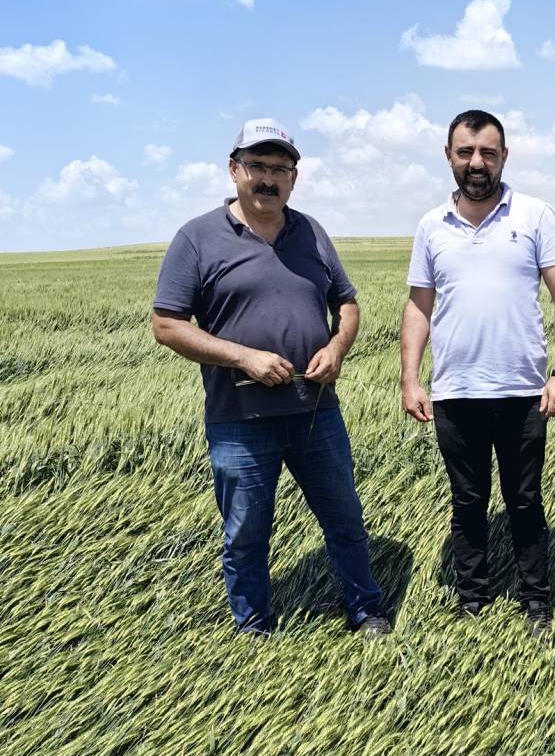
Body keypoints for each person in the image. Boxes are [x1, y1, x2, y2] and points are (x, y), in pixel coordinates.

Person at [151, 118, 389, 638]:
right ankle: (253, 626)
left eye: (280, 168)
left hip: (316, 411)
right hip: (240, 419)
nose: (268, 179)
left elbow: (345, 303)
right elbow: (167, 326)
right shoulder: (197, 238)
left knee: (345, 521)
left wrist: (336, 346)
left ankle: (365, 610)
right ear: (234, 170)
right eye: (257, 166)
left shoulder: (311, 231)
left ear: (294, 178)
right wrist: (244, 358)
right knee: (246, 533)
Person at [400, 109, 555, 634]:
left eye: (488, 153)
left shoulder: (535, 215)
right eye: (466, 153)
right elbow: (418, 307)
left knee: (525, 501)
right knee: (468, 502)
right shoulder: (432, 226)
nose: (477, 163)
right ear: (449, 156)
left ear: (504, 156)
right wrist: (411, 379)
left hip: (524, 392)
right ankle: (472, 598)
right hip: (455, 392)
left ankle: (536, 602)